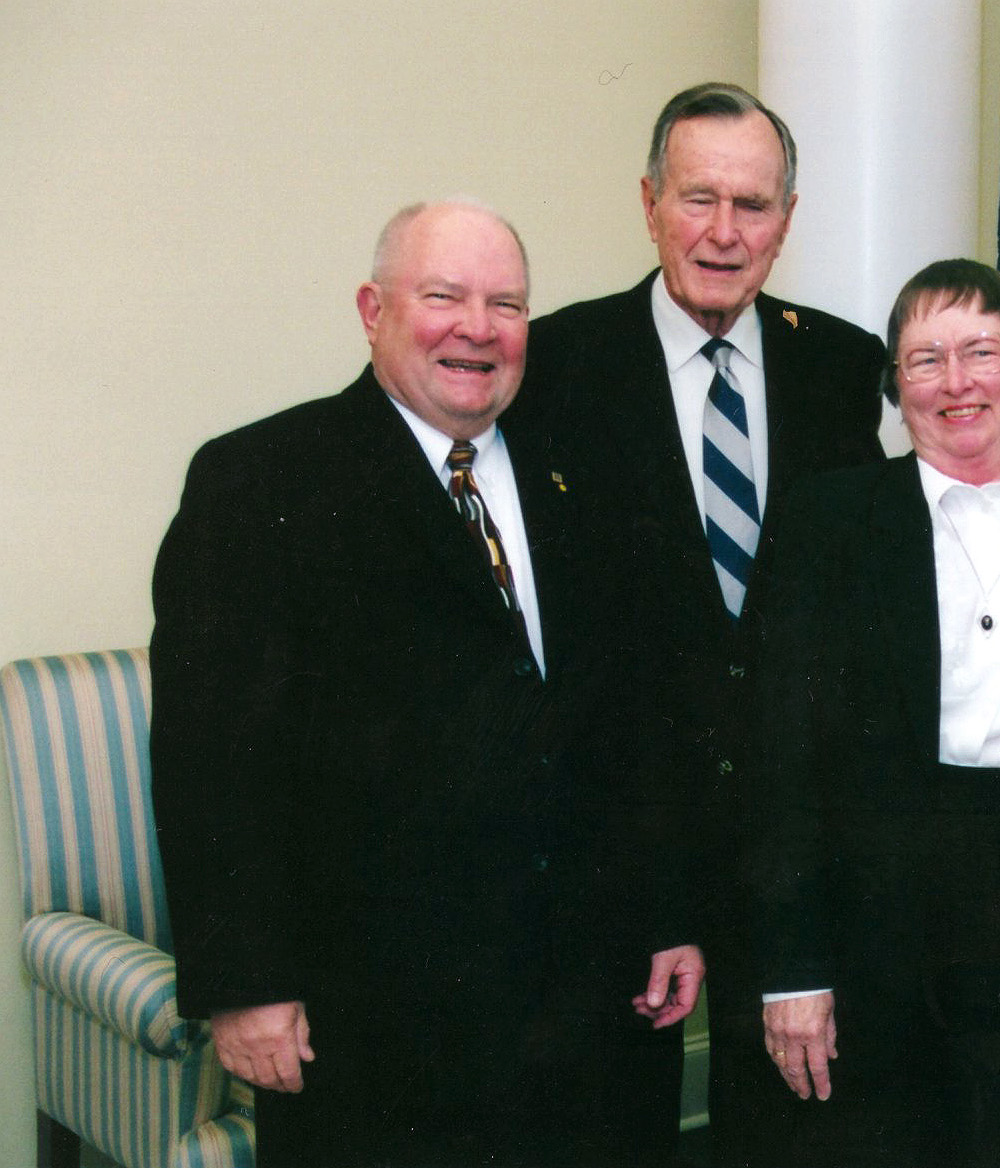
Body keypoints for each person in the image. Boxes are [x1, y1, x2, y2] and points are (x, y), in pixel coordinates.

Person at [149, 200, 702, 1168]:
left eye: (507, 304)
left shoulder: (589, 469)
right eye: (443, 296)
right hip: (378, 1026)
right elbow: (212, 762)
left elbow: (633, 716)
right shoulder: (262, 480)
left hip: (588, 1007)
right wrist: (246, 984)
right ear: (373, 309)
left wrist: (668, 914)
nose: (478, 328)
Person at [513, 82, 886, 1164]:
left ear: (788, 218)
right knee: (615, 1131)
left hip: (789, 841)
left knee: (789, 1130)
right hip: (622, 844)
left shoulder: (841, 362)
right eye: (699, 198)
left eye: (754, 204)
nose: (726, 232)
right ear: (648, 203)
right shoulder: (554, 365)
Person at [747, 259, 1000, 1166]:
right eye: (923, 360)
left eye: (981, 350)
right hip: (868, 943)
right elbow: (780, 757)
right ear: (897, 390)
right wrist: (793, 968)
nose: (955, 381)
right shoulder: (825, 523)